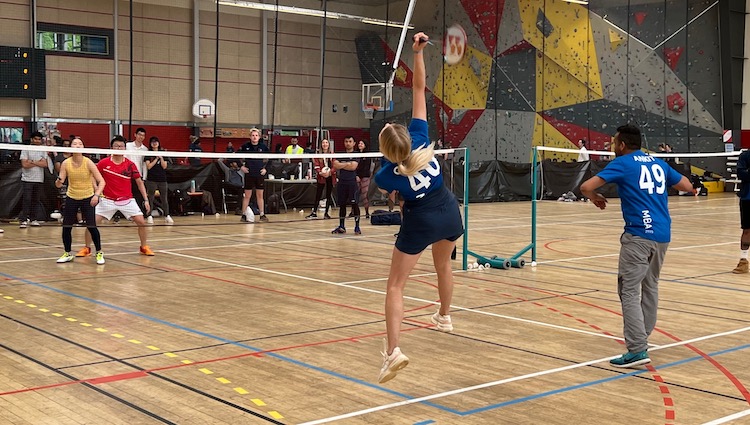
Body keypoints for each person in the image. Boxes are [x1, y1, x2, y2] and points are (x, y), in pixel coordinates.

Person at [374, 32, 464, 384]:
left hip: (421, 220)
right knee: (443, 267)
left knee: (395, 286)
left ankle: (393, 352)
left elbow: (395, 191)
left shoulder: (386, 176)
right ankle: (444, 315)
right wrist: (419, 53)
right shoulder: (422, 137)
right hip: (450, 212)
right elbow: (418, 90)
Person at [580, 124, 694, 368]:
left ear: (622, 144)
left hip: (639, 235)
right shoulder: (658, 163)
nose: (612, 146)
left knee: (629, 291)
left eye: (613, 142)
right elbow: (686, 185)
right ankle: (642, 336)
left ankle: (637, 348)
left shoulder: (622, 163)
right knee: (650, 286)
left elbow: (586, 187)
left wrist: (595, 198)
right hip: (662, 234)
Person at [77, 136, 154, 261]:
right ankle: (87, 248)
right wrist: (97, 190)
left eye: (121, 146)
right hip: (107, 200)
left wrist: (145, 200)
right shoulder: (104, 163)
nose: (119, 148)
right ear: (111, 148)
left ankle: (143, 246)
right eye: (116, 146)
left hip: (127, 200)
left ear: (125, 148)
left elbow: (139, 182)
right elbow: (92, 176)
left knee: (141, 222)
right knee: (91, 223)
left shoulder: (130, 165)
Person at [55, 138, 106, 264]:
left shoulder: (88, 162)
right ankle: (67, 253)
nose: (77, 146)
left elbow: (102, 181)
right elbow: (58, 184)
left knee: (91, 226)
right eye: (74, 144)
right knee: (66, 226)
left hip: (88, 197)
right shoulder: (66, 163)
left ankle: (99, 252)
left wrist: (96, 195)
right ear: (70, 147)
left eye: (80, 144)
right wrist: (59, 181)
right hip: (72, 196)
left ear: (83, 147)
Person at [239, 128, 269, 222]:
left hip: (259, 174)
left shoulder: (263, 147)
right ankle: (243, 215)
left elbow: (272, 158)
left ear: (259, 137)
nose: (254, 137)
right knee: (247, 195)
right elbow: (234, 157)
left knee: (260, 195)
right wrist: (241, 167)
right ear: (250, 136)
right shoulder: (245, 146)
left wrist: (266, 169)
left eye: (256, 135)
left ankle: (262, 215)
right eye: (253, 135)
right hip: (249, 174)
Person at [19, 131, 48, 228]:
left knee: (36, 200)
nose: (37, 141)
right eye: (35, 139)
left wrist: (31, 161)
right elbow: (24, 164)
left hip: (39, 179)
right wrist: (37, 162)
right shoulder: (25, 149)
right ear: (32, 139)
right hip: (27, 179)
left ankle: (33, 219)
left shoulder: (43, 149)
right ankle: (24, 220)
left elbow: (45, 164)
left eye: (39, 139)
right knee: (26, 200)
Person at [331, 136, 360, 234]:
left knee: (354, 204)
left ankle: (357, 227)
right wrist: (347, 164)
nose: (348, 143)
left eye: (350, 141)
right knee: (342, 205)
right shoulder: (340, 154)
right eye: (346, 141)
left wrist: (342, 164)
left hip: (352, 182)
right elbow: (335, 165)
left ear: (354, 143)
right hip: (342, 182)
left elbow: (353, 167)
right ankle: (342, 226)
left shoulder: (356, 154)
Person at [144, 136, 173, 225]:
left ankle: (167, 215)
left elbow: (164, 166)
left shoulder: (163, 153)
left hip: (162, 179)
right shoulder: (148, 154)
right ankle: (149, 216)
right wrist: (156, 158)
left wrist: (161, 158)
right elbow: (148, 166)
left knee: (164, 198)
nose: (155, 143)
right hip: (151, 179)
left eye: (156, 141)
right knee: (150, 198)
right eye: (153, 142)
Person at [306, 139, 335, 220]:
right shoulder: (318, 155)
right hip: (321, 176)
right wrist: (320, 173)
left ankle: (326, 213)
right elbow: (316, 165)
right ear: (321, 145)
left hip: (330, 176)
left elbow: (335, 165)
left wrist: (330, 173)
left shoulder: (332, 154)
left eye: (326, 143)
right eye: (323, 143)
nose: (325, 144)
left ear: (329, 144)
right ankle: (314, 212)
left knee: (328, 195)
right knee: (318, 194)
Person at [733, 148, 750, 273]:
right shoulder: (745, 156)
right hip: (747, 198)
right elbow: (741, 174)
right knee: (747, 230)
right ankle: (743, 260)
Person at [356, 140, 372, 219]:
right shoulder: (356, 154)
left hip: (365, 176)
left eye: (362, 143)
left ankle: (367, 212)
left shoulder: (367, 155)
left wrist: (361, 176)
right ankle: (354, 211)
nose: (360, 144)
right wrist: (356, 175)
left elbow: (367, 167)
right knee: (355, 194)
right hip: (356, 177)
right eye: (359, 143)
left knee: (364, 195)